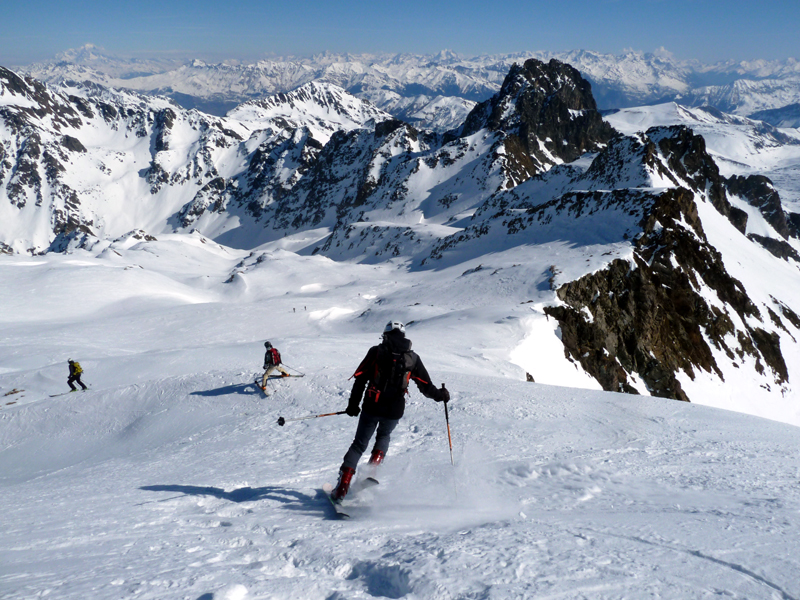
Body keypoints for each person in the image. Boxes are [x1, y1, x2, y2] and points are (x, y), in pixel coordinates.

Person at [330, 320, 449, 501]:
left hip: (372, 405)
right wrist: (441, 395)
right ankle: (372, 470)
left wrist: (353, 405)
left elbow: (360, 379)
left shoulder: (375, 352)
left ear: (385, 334)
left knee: (359, 444)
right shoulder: (412, 357)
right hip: (394, 409)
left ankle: (342, 488)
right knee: (384, 437)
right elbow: (426, 386)